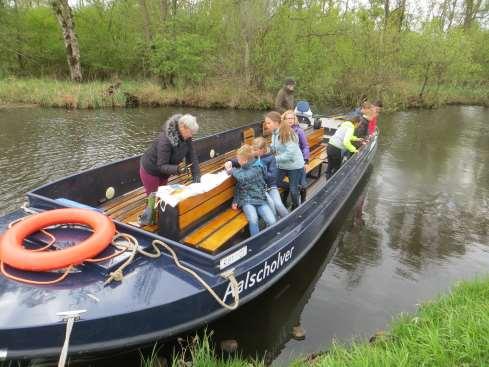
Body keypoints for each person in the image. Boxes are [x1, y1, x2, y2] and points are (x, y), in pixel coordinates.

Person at [139, 113, 201, 225]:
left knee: (163, 195)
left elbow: (192, 155)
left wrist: (196, 173)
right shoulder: (165, 139)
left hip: (165, 172)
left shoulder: (187, 137)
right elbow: (161, 165)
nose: (192, 135)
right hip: (151, 170)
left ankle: (159, 218)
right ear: (183, 127)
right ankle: (146, 222)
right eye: (190, 132)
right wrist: (178, 169)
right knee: (153, 196)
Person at [224, 145, 276, 236]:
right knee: (253, 219)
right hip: (247, 200)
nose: (237, 161)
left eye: (238, 159)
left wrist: (231, 170)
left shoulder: (257, 168)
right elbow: (239, 186)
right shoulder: (243, 168)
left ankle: (269, 238)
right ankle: (256, 242)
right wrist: (235, 201)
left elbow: (244, 177)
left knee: (272, 221)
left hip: (260, 199)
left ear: (245, 161)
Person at [265, 111, 305, 210]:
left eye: (268, 123)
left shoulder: (287, 133)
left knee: (293, 191)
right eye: (266, 123)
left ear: (276, 122)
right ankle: (297, 187)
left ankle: (296, 207)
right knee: (275, 183)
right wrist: (265, 152)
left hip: (294, 165)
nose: (266, 125)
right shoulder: (274, 133)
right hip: (282, 165)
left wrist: (274, 159)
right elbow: (274, 148)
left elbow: (290, 154)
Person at [252, 137, 289, 219]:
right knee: (271, 204)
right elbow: (241, 158)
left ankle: (289, 220)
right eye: (254, 150)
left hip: (270, 186)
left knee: (278, 205)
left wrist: (262, 170)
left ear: (263, 149)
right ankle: (275, 223)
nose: (254, 152)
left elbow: (273, 176)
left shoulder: (271, 158)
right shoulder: (254, 156)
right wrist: (231, 162)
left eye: (256, 150)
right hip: (261, 188)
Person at [283, 110, 310, 203]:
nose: (290, 120)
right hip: (286, 162)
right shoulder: (281, 131)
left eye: (292, 118)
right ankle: (285, 200)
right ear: (284, 120)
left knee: (303, 184)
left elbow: (305, 146)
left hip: (298, 161)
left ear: (295, 119)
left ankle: (303, 201)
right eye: (288, 118)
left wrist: (306, 160)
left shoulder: (299, 131)